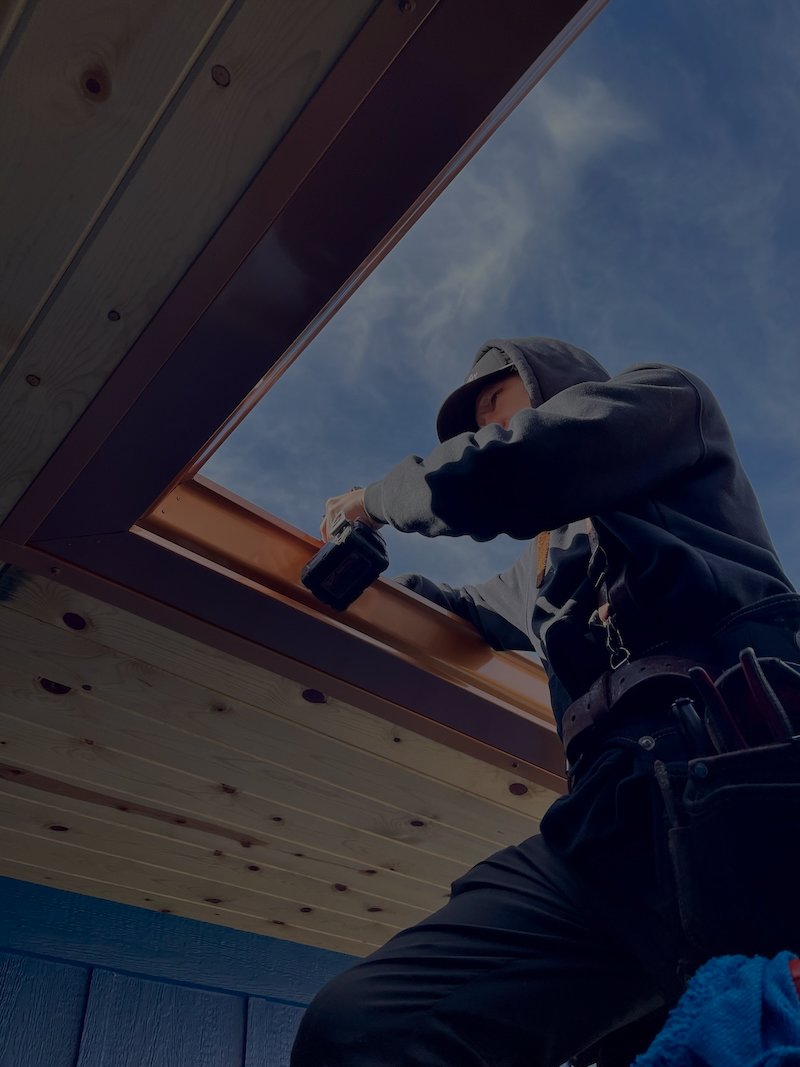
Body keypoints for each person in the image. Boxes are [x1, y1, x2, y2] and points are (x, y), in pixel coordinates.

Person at [291, 337, 800, 1067]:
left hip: (751, 785)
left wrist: (372, 502)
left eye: (493, 402)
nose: (482, 427)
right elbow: (454, 609)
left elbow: (524, 462)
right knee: (365, 1028)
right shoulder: (537, 567)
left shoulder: (664, 404)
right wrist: (362, 585)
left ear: (550, 384)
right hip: (608, 828)